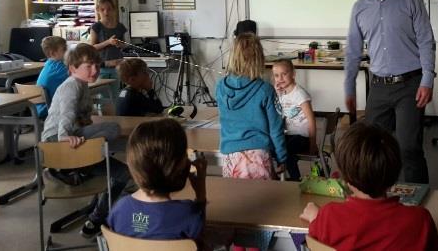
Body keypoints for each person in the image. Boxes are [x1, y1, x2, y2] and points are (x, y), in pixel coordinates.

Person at [344, 0, 436, 184]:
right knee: (372, 148)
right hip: (379, 87)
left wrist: (427, 79)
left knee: (409, 148)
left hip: (411, 84)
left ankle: (418, 201)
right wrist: (348, 87)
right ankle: (377, 199)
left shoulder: (412, 0)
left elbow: (426, 41)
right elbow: (353, 51)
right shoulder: (359, 8)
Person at [300, 122, 438, 251]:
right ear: (395, 173)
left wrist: (316, 218)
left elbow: (317, 235)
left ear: (346, 177)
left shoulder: (328, 216)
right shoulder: (420, 220)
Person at [40, 43, 131, 239]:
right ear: (72, 68)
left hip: (76, 141)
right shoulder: (71, 86)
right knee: (113, 128)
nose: (95, 70)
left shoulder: (82, 85)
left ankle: (95, 219)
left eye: (97, 65)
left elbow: (83, 119)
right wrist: (65, 136)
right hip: (57, 142)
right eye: (88, 66)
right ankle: (63, 169)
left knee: (123, 171)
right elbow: (67, 112)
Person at [107, 119, 206, 244]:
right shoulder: (188, 214)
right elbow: (200, 243)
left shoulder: (119, 210)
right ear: (179, 166)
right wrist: (201, 194)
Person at [217, 33, 287, 180]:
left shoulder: (220, 87)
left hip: (230, 157)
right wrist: (282, 158)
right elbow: (275, 129)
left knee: (237, 202)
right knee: (264, 201)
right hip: (258, 157)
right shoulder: (265, 89)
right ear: (258, 58)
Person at [272, 59, 316, 181]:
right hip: (290, 135)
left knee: (286, 150)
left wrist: (313, 144)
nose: (280, 78)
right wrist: (276, 92)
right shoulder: (281, 94)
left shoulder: (300, 94)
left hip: (303, 137)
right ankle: (281, 166)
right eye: (276, 75)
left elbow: (311, 120)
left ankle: (295, 180)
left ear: (293, 74)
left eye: (284, 74)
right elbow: (278, 113)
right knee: (273, 145)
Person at [90, 0, 127, 95]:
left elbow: (124, 45)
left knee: (116, 95)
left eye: (109, 9)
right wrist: (108, 42)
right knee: (105, 97)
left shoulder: (120, 26)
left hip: (117, 66)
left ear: (113, 10)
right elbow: (92, 47)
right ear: (98, 10)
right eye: (102, 9)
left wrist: (120, 44)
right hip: (102, 67)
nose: (106, 12)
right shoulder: (96, 27)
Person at [35, 36, 69, 119]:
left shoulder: (48, 64)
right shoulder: (60, 68)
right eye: (64, 49)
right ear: (53, 53)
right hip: (49, 110)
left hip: (39, 109)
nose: (67, 51)